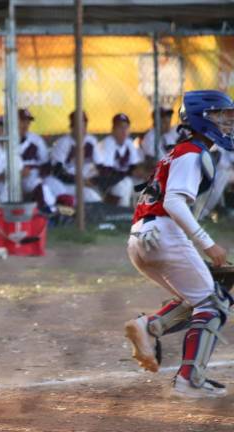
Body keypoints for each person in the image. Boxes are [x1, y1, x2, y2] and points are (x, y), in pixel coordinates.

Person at [124, 90, 234, 398]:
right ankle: (189, 381)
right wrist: (207, 243)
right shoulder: (191, 151)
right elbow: (173, 202)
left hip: (141, 239)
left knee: (198, 298)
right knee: (215, 304)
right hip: (164, 235)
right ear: (200, 118)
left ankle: (151, 325)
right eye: (219, 116)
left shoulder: (179, 151)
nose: (226, 123)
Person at [45, 111, 103, 205]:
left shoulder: (91, 142)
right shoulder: (63, 143)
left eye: (84, 125)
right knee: (49, 185)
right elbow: (57, 172)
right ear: (72, 127)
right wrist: (81, 181)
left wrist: (94, 180)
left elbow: (101, 167)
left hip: (85, 184)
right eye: (79, 126)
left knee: (93, 197)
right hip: (66, 184)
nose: (82, 129)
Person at [96, 113, 143, 207]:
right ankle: (120, 213)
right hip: (107, 183)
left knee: (146, 183)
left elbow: (134, 166)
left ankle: (138, 213)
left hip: (123, 178)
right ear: (113, 129)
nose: (124, 131)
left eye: (126, 127)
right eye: (120, 127)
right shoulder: (108, 143)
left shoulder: (129, 143)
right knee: (125, 184)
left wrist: (142, 173)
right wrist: (130, 172)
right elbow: (107, 171)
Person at [18, 108, 55, 213]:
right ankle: (49, 213)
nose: (26, 125)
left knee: (56, 187)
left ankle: (63, 212)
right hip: (13, 177)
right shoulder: (6, 139)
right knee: (37, 185)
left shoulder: (36, 139)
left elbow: (46, 163)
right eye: (22, 121)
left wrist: (42, 176)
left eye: (28, 122)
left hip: (35, 174)